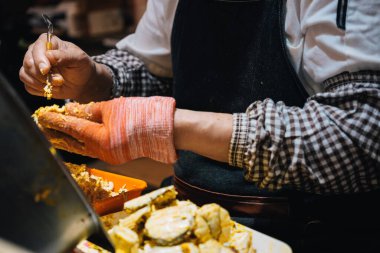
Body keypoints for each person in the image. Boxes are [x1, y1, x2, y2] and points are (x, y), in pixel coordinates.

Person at [20, 0, 380, 252]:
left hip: (303, 229)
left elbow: (362, 132)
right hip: (184, 209)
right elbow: (152, 67)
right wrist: (96, 80)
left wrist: (165, 126)